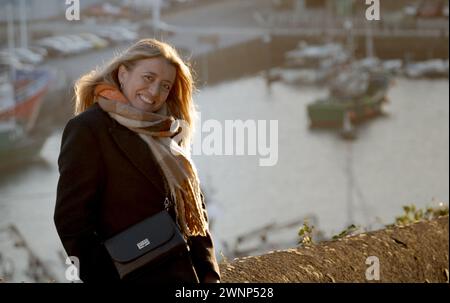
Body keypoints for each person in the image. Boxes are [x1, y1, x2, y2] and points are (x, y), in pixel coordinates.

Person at [54, 38, 221, 283]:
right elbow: (71, 221)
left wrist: (209, 272)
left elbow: (192, 205)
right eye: (148, 78)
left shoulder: (166, 130)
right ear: (123, 74)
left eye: (165, 86)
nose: (154, 92)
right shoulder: (89, 129)